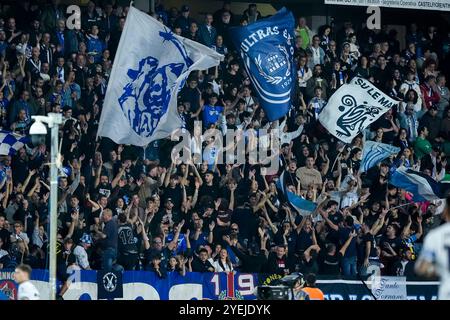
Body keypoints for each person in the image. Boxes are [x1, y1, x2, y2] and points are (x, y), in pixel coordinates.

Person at [416, 196, 450, 300]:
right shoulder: (424, 217)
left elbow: (422, 269)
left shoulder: (437, 233)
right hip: (426, 245)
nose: (432, 209)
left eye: (433, 208)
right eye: (430, 208)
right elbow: (418, 214)